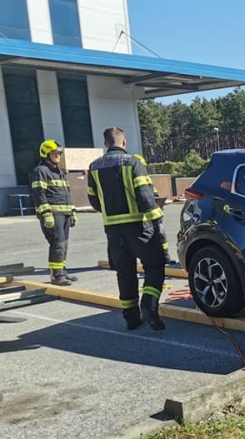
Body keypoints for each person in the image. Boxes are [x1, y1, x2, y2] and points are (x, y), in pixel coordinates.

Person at [88, 128, 166, 331]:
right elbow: (145, 195)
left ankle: (131, 317)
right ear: (124, 143)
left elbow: (93, 199)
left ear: (106, 144)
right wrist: (157, 219)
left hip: (113, 230)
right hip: (139, 226)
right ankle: (149, 306)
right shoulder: (133, 162)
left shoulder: (94, 167)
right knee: (154, 265)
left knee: (124, 272)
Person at [30, 140, 78, 286]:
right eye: (54, 153)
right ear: (45, 154)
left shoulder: (59, 172)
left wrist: (73, 212)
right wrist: (46, 214)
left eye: (59, 153)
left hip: (64, 214)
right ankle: (56, 276)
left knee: (64, 244)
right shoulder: (41, 171)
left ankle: (62, 271)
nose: (57, 156)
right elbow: (39, 194)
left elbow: (67, 194)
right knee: (57, 244)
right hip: (52, 214)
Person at [134, 154, 174, 263]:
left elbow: (155, 194)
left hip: (154, 215)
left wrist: (160, 203)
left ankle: (165, 257)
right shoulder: (133, 181)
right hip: (142, 218)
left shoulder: (147, 180)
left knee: (161, 233)